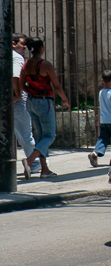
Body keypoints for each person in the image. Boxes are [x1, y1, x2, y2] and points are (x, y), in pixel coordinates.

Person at [19, 36, 70, 179]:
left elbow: (22, 85)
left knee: (41, 136)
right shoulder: (45, 65)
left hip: (31, 102)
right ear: (41, 48)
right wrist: (65, 100)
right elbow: (57, 85)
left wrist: (32, 92)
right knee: (49, 136)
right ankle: (29, 161)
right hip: (44, 102)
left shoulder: (26, 64)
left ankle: (45, 169)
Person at [12, 33, 41, 174]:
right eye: (22, 44)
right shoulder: (16, 58)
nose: (25, 47)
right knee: (25, 134)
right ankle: (34, 163)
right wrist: (17, 95)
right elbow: (15, 77)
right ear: (13, 43)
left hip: (8, 101)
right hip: (17, 102)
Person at [88, 70, 111, 167]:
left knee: (103, 138)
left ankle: (95, 153)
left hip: (103, 120)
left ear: (102, 80)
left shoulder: (101, 92)